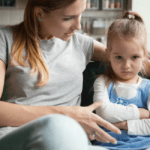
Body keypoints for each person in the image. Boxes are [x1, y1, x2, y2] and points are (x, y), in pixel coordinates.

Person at [0, 0, 122, 149]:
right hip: (20, 139)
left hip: (72, 142)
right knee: (58, 128)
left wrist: (131, 31)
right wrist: (65, 114)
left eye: (80, 15)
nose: (78, 26)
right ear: (39, 14)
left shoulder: (81, 44)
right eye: (68, 18)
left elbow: (129, 57)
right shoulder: (5, 39)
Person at [93, 11, 150, 149]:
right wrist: (140, 113)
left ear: (144, 55)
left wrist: (124, 125)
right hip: (106, 145)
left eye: (134, 57)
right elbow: (104, 112)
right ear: (108, 54)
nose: (126, 65)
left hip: (143, 145)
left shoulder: (148, 87)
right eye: (119, 57)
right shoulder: (102, 81)